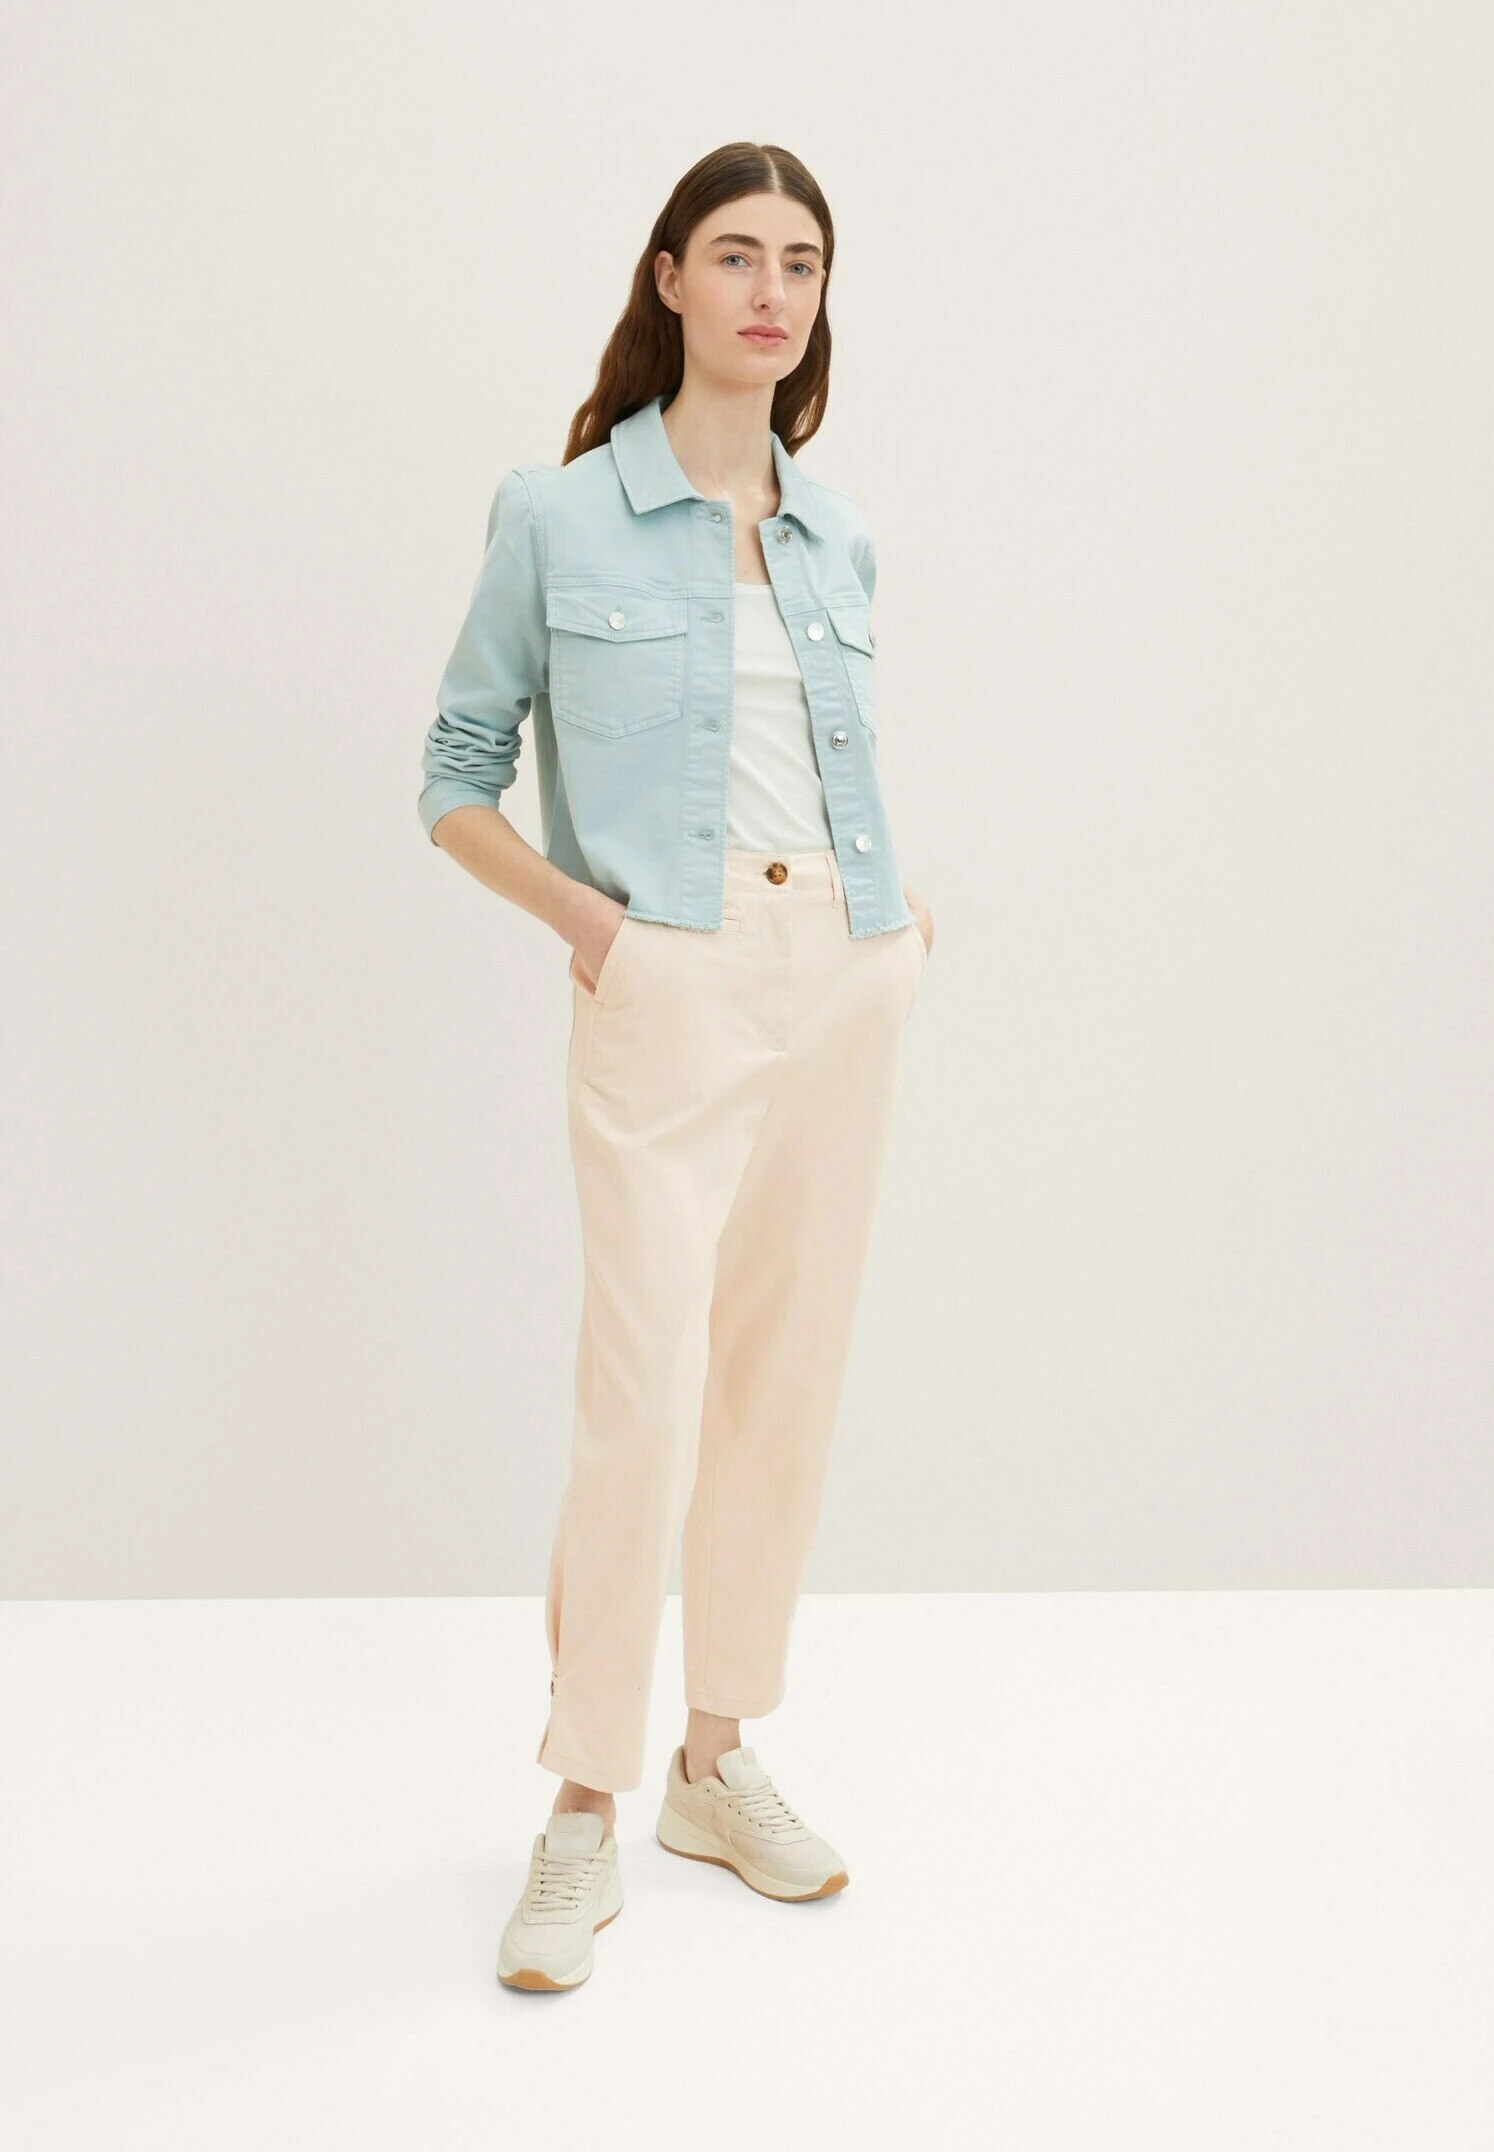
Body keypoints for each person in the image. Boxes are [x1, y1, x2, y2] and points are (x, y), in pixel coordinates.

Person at [418, 142, 933, 1992]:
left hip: (841, 978)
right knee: (640, 1395)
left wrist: (897, 926)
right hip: (665, 979)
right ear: (667, 279)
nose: (769, 289)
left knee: (779, 1384)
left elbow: (834, 763)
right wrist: (591, 924)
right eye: (734, 254)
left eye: (800, 260)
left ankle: (714, 1764)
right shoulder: (558, 516)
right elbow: (453, 776)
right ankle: (582, 1800)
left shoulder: (836, 531)